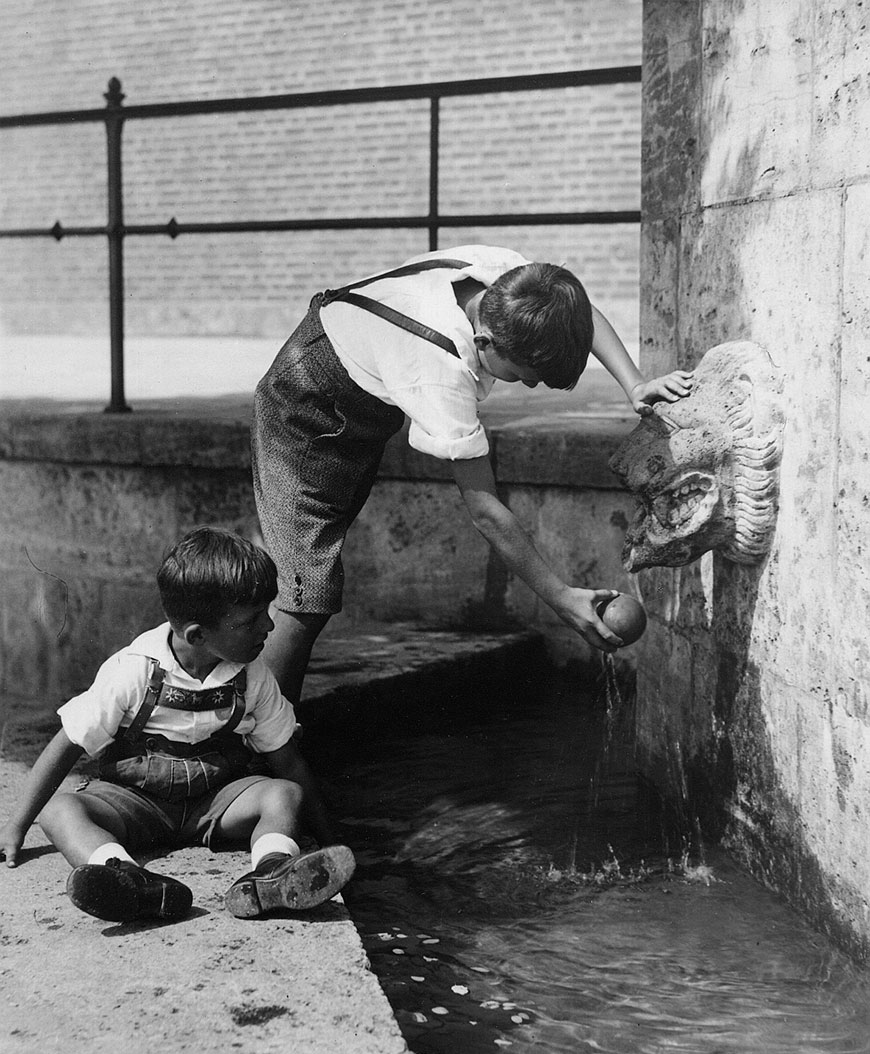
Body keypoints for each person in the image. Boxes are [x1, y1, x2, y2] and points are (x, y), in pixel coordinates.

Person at [252, 243, 693, 705]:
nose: (529, 385)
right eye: (525, 376)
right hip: (305, 406)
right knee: (308, 593)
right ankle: (262, 738)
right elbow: (484, 509)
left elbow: (575, 313)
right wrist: (560, 598)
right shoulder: (440, 370)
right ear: (485, 344)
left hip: (363, 385)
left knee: (312, 574)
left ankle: (271, 718)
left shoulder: (509, 283)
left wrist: (635, 384)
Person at [0, 526, 355, 924]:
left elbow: (288, 762)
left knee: (283, 794)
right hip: (137, 802)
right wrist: (17, 825)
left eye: (267, 613)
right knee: (61, 809)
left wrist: (327, 841)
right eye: (252, 620)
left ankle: (271, 873)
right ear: (197, 635)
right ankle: (127, 878)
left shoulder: (252, 676)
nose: (269, 628)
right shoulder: (132, 672)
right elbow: (67, 743)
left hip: (215, 801)